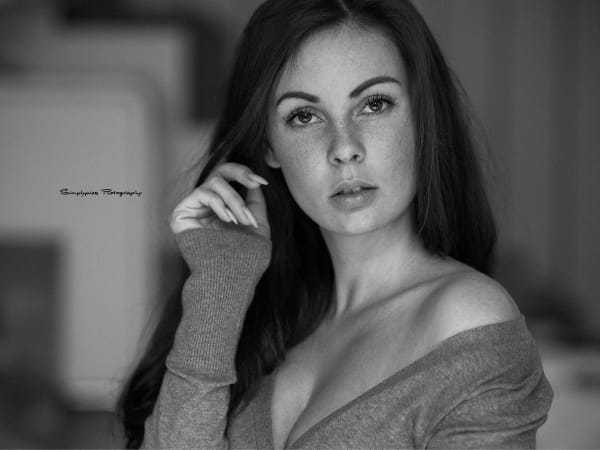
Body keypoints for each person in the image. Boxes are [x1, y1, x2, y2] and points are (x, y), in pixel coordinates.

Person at [118, 0, 553, 448]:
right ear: (268, 145)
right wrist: (218, 285)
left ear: (423, 118)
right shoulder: (264, 319)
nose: (344, 148)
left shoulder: (467, 318)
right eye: (304, 116)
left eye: (375, 104)